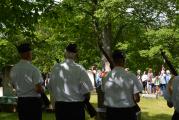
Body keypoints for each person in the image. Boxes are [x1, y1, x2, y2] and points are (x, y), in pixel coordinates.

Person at [48, 43, 94, 120]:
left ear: (65, 53)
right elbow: (86, 92)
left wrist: (54, 104)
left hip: (60, 107)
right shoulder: (80, 69)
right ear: (75, 54)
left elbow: (51, 88)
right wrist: (86, 102)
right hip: (76, 107)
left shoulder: (55, 68)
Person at [102, 50, 143, 120]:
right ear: (124, 61)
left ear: (113, 61)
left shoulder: (106, 77)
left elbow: (104, 94)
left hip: (110, 113)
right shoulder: (131, 76)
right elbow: (136, 98)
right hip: (127, 113)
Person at [10, 43, 44, 120]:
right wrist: (43, 89)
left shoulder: (13, 69)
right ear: (28, 54)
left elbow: (13, 85)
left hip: (21, 101)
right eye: (31, 52)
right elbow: (38, 89)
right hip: (33, 102)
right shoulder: (33, 69)